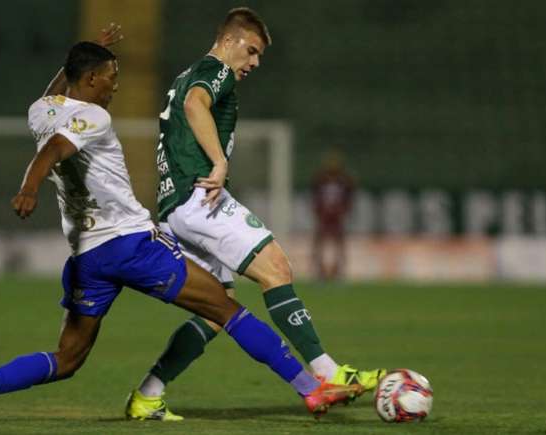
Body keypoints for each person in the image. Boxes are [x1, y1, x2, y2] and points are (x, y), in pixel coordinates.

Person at [0, 29, 362, 423]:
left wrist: (89, 50)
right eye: (109, 76)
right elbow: (56, 148)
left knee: (67, 359)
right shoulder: (96, 119)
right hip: (133, 245)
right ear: (88, 81)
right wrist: (28, 187)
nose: (115, 85)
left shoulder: (40, 110)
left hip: (88, 258)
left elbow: (55, 100)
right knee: (226, 308)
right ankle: (312, 389)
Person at [125, 8, 385, 421]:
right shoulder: (216, 70)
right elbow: (196, 105)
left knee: (216, 309)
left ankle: (148, 394)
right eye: (251, 51)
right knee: (277, 268)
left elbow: (187, 104)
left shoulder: (185, 74)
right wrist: (219, 163)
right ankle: (328, 372)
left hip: (175, 207)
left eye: (259, 56)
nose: (254, 63)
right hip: (201, 197)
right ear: (228, 41)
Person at [311, 151, 355, 281]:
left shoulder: (345, 180)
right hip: (324, 217)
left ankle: (338, 272)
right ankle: (320, 272)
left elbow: (349, 198)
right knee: (320, 244)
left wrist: (344, 210)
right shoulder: (321, 179)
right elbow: (315, 197)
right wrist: (318, 211)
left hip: (337, 217)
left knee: (339, 245)